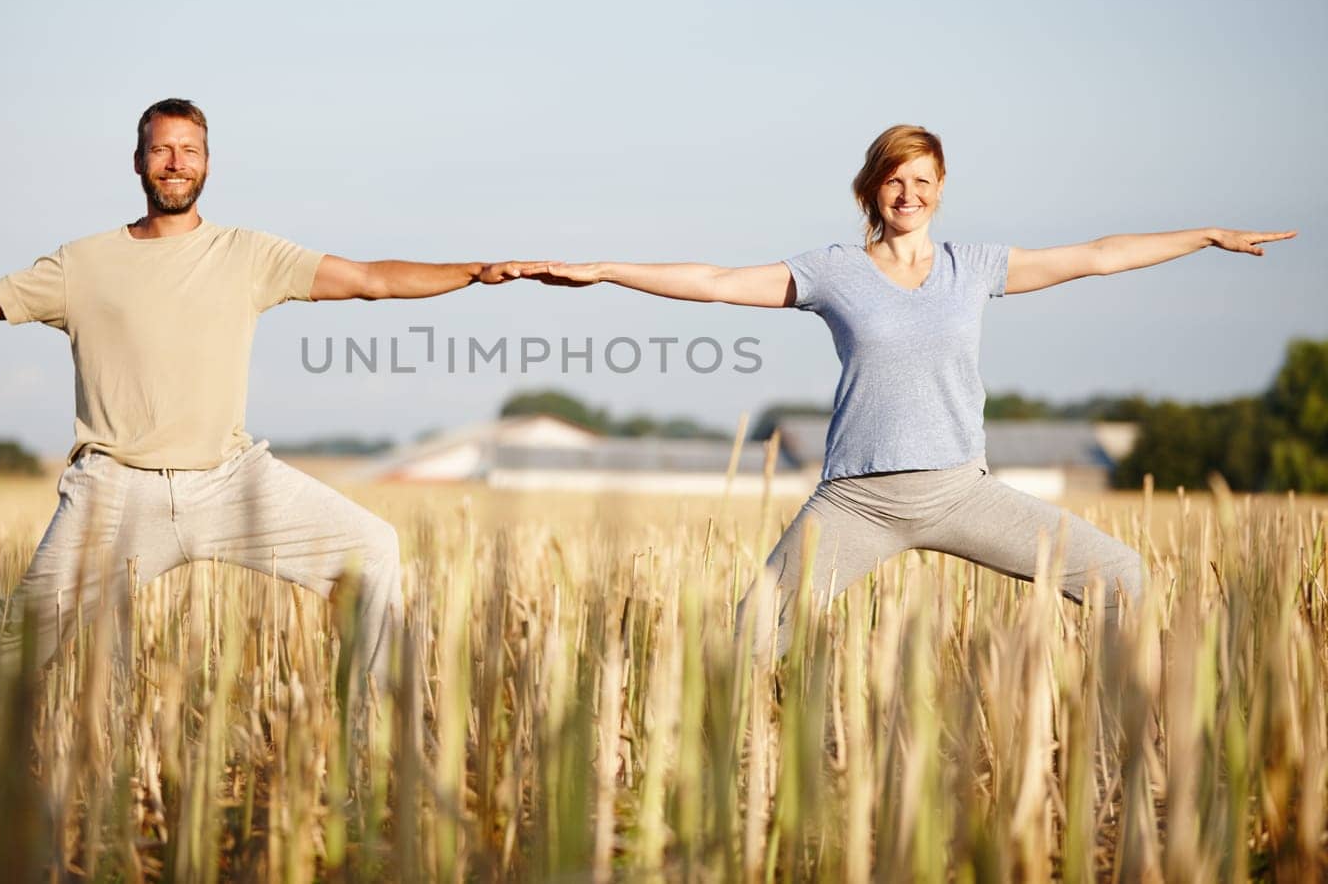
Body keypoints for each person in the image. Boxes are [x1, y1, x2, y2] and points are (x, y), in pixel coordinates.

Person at [0, 97, 534, 695]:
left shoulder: (249, 254)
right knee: (9, 648)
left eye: (189, 150)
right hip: (115, 495)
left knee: (374, 548)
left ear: (209, 163)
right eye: (161, 149)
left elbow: (371, 279)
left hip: (230, 480)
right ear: (139, 161)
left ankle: (371, 747)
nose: (175, 162)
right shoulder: (82, 264)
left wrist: (472, 269)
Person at [521, 124, 1295, 657]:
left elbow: (1096, 254)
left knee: (1122, 576)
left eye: (921, 178)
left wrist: (1204, 235)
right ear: (871, 188)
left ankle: (1148, 726)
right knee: (752, 634)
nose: (907, 191)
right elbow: (720, 282)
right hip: (856, 500)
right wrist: (607, 269)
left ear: (941, 187)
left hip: (964, 491)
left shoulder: (976, 266)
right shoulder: (835, 272)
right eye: (893, 178)